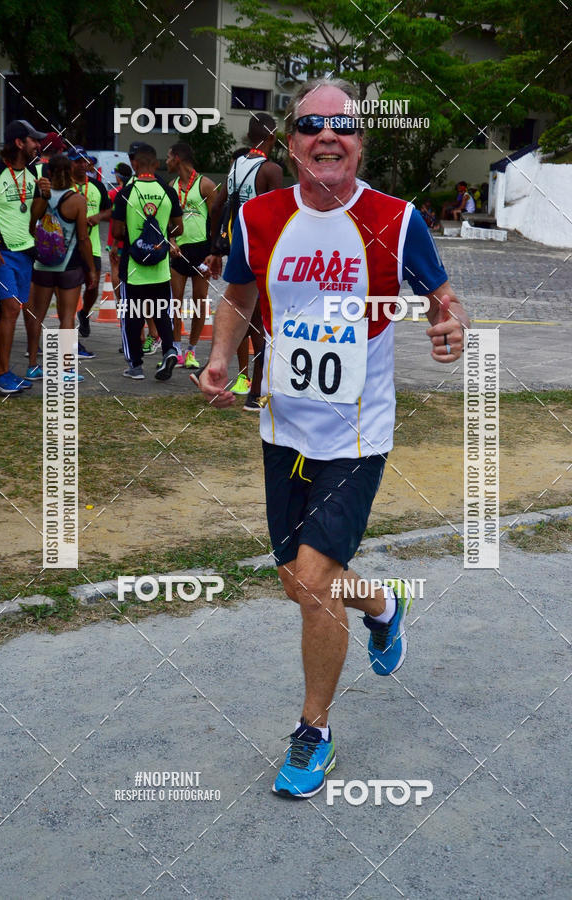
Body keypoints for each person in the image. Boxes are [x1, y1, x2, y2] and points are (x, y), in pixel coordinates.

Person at [199, 78, 469, 799]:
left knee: (314, 583)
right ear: (290, 142)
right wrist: (221, 353)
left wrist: (449, 325)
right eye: (311, 124)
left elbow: (442, 297)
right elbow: (238, 295)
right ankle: (382, 606)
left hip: (357, 432)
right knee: (296, 583)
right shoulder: (258, 218)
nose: (327, 136)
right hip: (282, 428)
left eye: (341, 127)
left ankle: (313, 732)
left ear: (360, 141)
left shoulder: (396, 218)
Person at [206, 115, 283, 411]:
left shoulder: (236, 166)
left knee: (241, 312)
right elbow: (276, 215)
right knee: (263, 322)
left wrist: (215, 246)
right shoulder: (271, 170)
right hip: (263, 250)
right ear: (272, 137)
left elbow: (216, 206)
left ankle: (242, 378)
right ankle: (256, 394)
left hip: (238, 247)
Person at [0, 119, 50, 394]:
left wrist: (44, 194)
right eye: (33, 140)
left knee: (18, 310)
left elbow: (34, 216)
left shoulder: (32, 173)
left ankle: (5, 372)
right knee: (11, 309)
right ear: (19, 143)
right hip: (0, 253)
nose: (38, 145)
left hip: (25, 252)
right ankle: (1, 374)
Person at [111, 142, 183, 380]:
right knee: (162, 313)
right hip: (161, 268)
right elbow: (178, 227)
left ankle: (135, 366)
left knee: (131, 318)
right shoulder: (168, 191)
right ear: (156, 164)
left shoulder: (125, 193)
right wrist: (160, 234)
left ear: (135, 164)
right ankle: (170, 350)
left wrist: (137, 234)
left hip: (134, 268)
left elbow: (118, 231)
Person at [25, 154, 97, 382]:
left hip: (42, 265)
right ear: (71, 172)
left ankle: (33, 365)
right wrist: (91, 269)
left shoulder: (41, 198)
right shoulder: (77, 200)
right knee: (66, 316)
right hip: (70, 266)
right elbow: (84, 239)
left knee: (37, 314)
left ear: (49, 173)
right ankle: (66, 370)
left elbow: (31, 227)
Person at [166, 141, 218, 369]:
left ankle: (191, 351)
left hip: (201, 250)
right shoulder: (171, 186)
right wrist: (171, 240)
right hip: (179, 251)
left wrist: (216, 252)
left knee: (199, 303)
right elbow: (167, 220)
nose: (165, 161)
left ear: (178, 158)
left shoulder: (206, 185)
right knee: (174, 302)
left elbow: (217, 220)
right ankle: (176, 349)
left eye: (168, 157)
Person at [68, 146, 112, 354]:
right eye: (78, 160)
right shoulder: (63, 186)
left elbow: (109, 210)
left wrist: (98, 218)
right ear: (70, 163)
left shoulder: (96, 186)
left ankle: (84, 313)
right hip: (67, 249)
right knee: (69, 294)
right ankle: (70, 343)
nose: (83, 164)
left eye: (86, 161)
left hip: (91, 247)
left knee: (93, 287)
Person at [106, 161, 132, 304]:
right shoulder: (132, 191)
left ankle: (119, 299)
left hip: (113, 236)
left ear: (118, 176)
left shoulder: (112, 193)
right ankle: (128, 298)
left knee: (115, 268)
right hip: (129, 236)